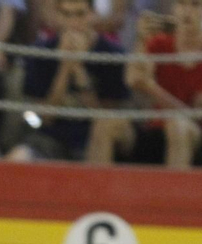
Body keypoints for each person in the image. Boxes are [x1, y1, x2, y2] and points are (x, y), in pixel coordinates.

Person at [93, 0, 202, 167]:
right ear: (174, 8)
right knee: (105, 123)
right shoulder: (159, 43)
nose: (187, 11)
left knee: (177, 127)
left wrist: (151, 88)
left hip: (199, 136)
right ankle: (93, 191)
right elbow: (132, 78)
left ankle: (176, 192)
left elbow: (196, 117)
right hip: (156, 129)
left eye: (195, 4)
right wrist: (141, 39)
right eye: (182, 4)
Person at [12, 0, 129, 163]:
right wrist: (65, 68)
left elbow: (104, 118)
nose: (73, 22)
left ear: (93, 15)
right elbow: (40, 119)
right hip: (49, 138)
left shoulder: (113, 55)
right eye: (66, 14)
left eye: (80, 14)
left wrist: (79, 69)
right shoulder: (40, 53)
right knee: (17, 158)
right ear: (57, 17)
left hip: (94, 139)